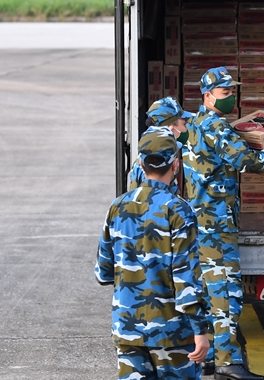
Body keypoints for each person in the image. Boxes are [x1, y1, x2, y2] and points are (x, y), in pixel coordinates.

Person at [182, 67, 264, 380]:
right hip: (216, 223)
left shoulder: (194, 124)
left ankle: (211, 356)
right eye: (225, 92)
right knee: (226, 293)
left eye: (233, 91)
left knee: (208, 290)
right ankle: (227, 363)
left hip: (202, 219)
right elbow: (243, 158)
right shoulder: (216, 126)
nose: (231, 97)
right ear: (207, 95)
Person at [95, 127, 210, 380]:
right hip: (172, 333)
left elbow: (103, 272)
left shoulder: (117, 206)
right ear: (176, 164)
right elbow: (186, 279)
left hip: (127, 328)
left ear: (140, 163)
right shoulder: (179, 210)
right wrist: (200, 331)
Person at [127, 96, 193, 192]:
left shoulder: (163, 156)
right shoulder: (154, 162)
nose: (185, 130)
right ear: (170, 128)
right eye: (183, 124)